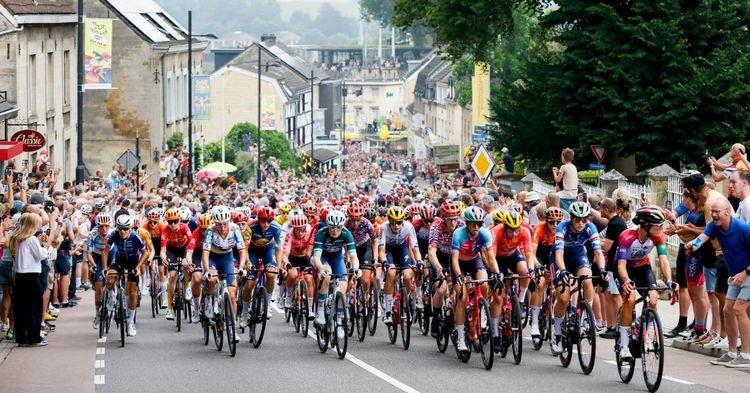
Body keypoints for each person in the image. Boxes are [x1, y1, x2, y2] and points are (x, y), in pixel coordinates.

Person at [688, 198, 750, 368]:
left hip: (748, 274)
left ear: (728, 212)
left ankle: (746, 355)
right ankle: (731, 353)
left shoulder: (743, 229)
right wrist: (691, 245)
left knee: (739, 309)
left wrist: (745, 273)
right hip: (735, 275)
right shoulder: (714, 226)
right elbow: (701, 239)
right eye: (712, 212)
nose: (714, 215)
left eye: (717, 212)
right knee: (727, 310)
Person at [615, 207, 675, 360]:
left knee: (653, 299)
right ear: (646, 225)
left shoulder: (657, 237)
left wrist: (669, 280)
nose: (661, 228)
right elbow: (621, 265)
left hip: (643, 267)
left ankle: (644, 331)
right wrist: (626, 280)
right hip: (624, 268)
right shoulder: (627, 237)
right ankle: (623, 345)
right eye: (658, 225)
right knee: (629, 299)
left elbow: (663, 260)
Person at [550, 201, 606, 354]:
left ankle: (585, 317)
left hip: (578, 255)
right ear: (572, 218)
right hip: (560, 259)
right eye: (577, 220)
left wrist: (601, 269)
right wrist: (562, 271)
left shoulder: (591, 228)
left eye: (584, 219)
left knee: (587, 280)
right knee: (563, 298)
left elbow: (598, 253)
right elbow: (559, 254)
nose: (581, 223)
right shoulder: (562, 227)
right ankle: (557, 333)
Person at [450, 206, 500, 353]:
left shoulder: (485, 233)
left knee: (484, 284)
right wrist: (459, 276)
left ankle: (482, 311)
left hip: (474, 260)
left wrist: (497, 272)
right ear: (467, 223)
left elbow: (491, 258)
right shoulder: (458, 234)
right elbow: (454, 259)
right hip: (459, 263)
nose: (477, 226)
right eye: (473, 223)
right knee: (462, 297)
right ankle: (460, 338)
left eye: (479, 223)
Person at [311, 210, 361, 340]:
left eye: (338, 227)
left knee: (343, 289)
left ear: (342, 226)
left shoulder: (346, 234)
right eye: (332, 227)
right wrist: (321, 269)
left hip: (337, 259)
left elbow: (354, 256)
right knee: (327, 274)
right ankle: (320, 311)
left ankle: (339, 321)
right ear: (328, 225)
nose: (334, 230)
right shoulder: (321, 233)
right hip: (323, 259)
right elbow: (316, 256)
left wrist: (356, 268)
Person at [102, 215, 148, 337]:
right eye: (120, 228)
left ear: (130, 228)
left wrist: (138, 268)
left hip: (133, 263)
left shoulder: (135, 237)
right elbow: (105, 251)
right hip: (119, 261)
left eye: (125, 228)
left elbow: (145, 253)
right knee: (110, 280)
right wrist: (104, 268)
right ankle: (111, 299)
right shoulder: (113, 235)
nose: (122, 231)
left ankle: (130, 322)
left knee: (132, 292)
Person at [9, 213, 47, 346]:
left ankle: (21, 336)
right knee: (34, 307)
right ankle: (34, 337)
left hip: (20, 276)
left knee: (21, 307)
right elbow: (41, 255)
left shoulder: (18, 238)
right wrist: (44, 246)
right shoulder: (31, 239)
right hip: (31, 275)